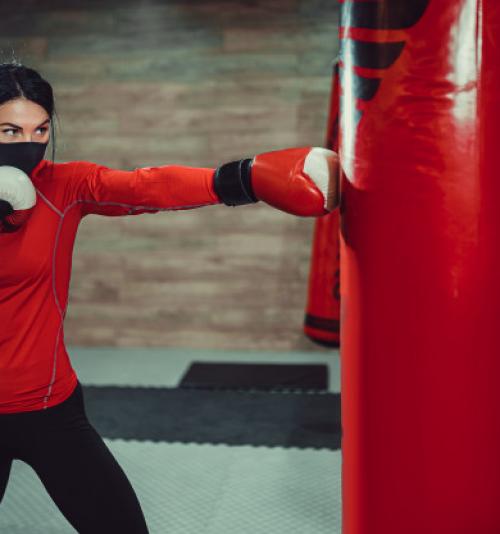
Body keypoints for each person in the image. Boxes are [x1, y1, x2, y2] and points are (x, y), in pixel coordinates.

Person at [0, 61, 339, 533]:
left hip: (49, 408)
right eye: (10, 130)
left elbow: (145, 186)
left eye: (39, 130)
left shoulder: (62, 185)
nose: (29, 145)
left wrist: (242, 179)